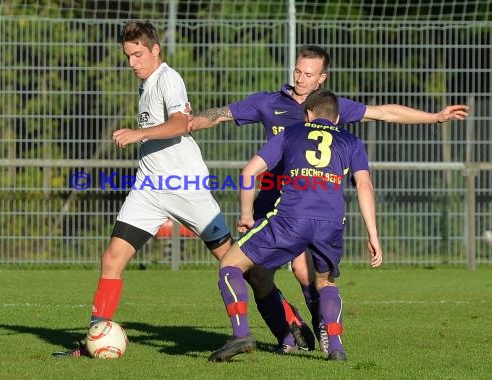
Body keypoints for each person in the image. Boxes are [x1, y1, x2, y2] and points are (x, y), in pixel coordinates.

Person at [190, 45, 469, 353]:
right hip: (273, 203)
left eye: (308, 74)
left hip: (306, 204)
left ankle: (320, 328)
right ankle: (290, 328)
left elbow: (385, 113)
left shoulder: (328, 107)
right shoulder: (268, 102)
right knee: (258, 275)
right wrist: (189, 121)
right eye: (297, 71)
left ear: (321, 78)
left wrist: (435, 117)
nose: (300, 78)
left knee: (303, 269)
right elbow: (219, 116)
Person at [52, 20, 233, 357]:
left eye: (138, 54)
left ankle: (287, 320)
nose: (132, 62)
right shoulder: (147, 84)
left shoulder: (169, 78)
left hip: (184, 185)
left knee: (233, 261)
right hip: (149, 189)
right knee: (112, 259)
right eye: (128, 56)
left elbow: (181, 124)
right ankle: (94, 336)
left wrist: (138, 134)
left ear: (154, 50)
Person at [209, 88, 383, 363]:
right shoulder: (352, 141)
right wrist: (373, 235)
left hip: (291, 218)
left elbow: (248, 173)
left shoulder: (291, 132)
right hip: (331, 223)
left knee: (230, 265)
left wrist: (245, 215)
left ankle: (241, 334)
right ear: (337, 119)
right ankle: (335, 347)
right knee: (325, 281)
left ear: (308, 114)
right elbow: (364, 185)